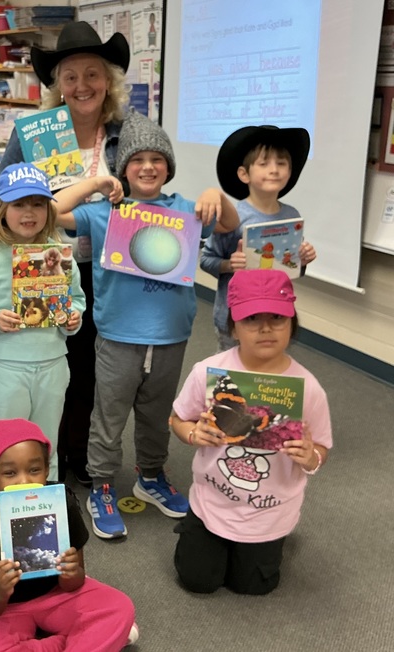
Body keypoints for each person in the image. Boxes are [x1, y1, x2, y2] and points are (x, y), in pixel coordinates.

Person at [53, 119, 240, 539]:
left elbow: (228, 224)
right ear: (124, 168)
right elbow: (53, 210)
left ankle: (151, 475)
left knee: (158, 415)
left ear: (169, 167)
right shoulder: (106, 212)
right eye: (137, 160)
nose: (148, 166)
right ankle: (102, 485)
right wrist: (96, 183)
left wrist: (218, 196)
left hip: (171, 336)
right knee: (108, 416)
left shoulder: (186, 209)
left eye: (157, 159)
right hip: (118, 337)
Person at [0, 21, 145, 487]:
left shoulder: (126, 133)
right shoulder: (35, 134)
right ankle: (37, 460)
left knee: (93, 367)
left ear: (108, 82)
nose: (82, 86)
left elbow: (146, 197)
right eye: (70, 77)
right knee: (47, 365)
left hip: (108, 269)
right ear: (58, 86)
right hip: (45, 267)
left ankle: (79, 453)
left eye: (92, 74)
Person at [170, 269, 332, 594]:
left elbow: (321, 448)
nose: (265, 328)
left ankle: (268, 544)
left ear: (292, 324)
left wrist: (310, 457)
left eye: (277, 318)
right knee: (197, 580)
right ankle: (198, 530)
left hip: (269, 512)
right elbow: (177, 419)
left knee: (254, 586)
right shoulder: (208, 372)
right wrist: (193, 434)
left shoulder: (308, 388)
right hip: (213, 502)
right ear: (233, 326)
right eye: (252, 319)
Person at [0, 418, 138, 651]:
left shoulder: (62, 504)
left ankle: (66, 640)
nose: (24, 481)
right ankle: (66, 642)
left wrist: (70, 573)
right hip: (7, 608)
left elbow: (75, 583)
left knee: (120, 608)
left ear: (46, 470)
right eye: (10, 473)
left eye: (34, 470)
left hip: (57, 595)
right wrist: (0, 591)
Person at [0, 163, 85, 482]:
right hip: (7, 368)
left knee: (46, 442)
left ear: (48, 210)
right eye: (19, 204)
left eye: (38, 204)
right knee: (5, 444)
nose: (29, 212)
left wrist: (73, 317)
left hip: (53, 364)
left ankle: (46, 501)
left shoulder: (58, 256)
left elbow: (76, 299)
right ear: (2, 209)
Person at [200, 125, 317, 351]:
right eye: (264, 164)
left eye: (281, 163)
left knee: (267, 368)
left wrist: (302, 260)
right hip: (235, 318)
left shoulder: (291, 216)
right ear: (244, 174)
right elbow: (206, 260)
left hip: (274, 315)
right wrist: (229, 265)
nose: (274, 170)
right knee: (231, 368)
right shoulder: (233, 217)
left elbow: (290, 270)